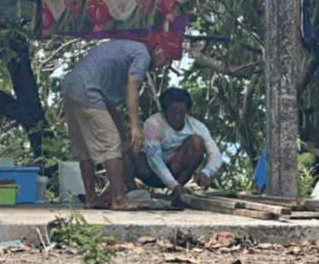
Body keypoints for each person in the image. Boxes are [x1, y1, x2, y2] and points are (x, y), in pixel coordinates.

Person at [60, 31, 183, 209]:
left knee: (85, 149)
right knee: (112, 142)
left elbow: (108, 98)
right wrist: (135, 127)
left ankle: (91, 198)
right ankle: (119, 199)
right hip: (88, 91)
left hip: (71, 88)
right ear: (157, 49)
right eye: (167, 57)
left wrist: (121, 125)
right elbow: (132, 90)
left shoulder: (128, 50)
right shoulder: (142, 54)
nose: (165, 64)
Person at [129, 87, 224, 204]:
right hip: (148, 171)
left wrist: (206, 172)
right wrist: (173, 185)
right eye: (173, 112)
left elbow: (216, 156)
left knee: (197, 141)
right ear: (165, 111)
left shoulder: (196, 126)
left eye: (182, 112)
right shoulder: (153, 124)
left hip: (176, 170)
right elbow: (155, 160)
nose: (178, 117)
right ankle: (128, 191)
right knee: (125, 146)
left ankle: (178, 193)